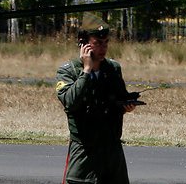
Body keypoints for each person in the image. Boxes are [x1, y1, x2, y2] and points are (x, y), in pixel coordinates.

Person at [56, 26, 136, 184]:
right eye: (98, 43)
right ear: (83, 45)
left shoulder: (113, 68)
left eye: (106, 43)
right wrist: (86, 71)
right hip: (85, 151)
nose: (103, 48)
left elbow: (117, 99)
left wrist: (126, 106)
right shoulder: (68, 71)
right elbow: (70, 102)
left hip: (112, 151)